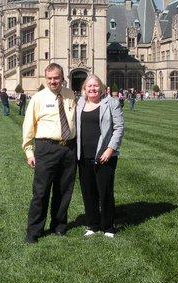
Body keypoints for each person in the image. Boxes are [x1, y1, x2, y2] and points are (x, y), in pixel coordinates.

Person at [22, 63, 77, 244]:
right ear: (46, 79)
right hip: (46, 148)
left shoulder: (70, 95)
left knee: (64, 190)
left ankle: (59, 226)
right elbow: (28, 126)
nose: (53, 81)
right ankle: (34, 231)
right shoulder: (38, 98)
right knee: (41, 192)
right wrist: (29, 152)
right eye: (50, 78)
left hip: (68, 148)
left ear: (63, 78)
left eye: (56, 78)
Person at [76, 74, 124, 238]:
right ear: (84, 89)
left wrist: (110, 149)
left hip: (104, 156)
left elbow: (119, 128)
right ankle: (92, 224)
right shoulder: (80, 103)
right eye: (89, 86)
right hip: (83, 156)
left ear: (102, 87)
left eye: (95, 85)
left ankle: (108, 226)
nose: (92, 88)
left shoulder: (111, 102)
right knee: (88, 192)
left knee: (105, 192)